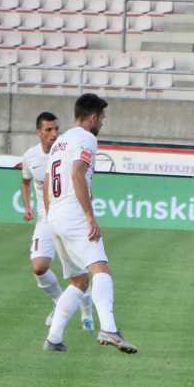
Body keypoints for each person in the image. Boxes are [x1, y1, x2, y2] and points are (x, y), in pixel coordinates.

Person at [41, 94, 137, 354]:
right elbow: (77, 173)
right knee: (101, 269)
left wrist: (52, 217)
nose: (102, 123)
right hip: (72, 214)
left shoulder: (60, 142)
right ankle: (109, 328)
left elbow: (48, 181)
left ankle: (54, 338)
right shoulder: (87, 138)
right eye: (102, 117)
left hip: (56, 215)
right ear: (93, 117)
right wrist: (89, 216)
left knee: (79, 281)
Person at [20, 111, 94, 331]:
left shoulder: (65, 149)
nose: (53, 134)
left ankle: (87, 315)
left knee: (79, 271)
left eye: (56, 129)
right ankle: (59, 302)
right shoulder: (30, 157)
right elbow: (25, 181)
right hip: (46, 220)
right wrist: (27, 206)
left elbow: (82, 177)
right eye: (48, 130)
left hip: (69, 219)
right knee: (39, 267)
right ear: (39, 132)